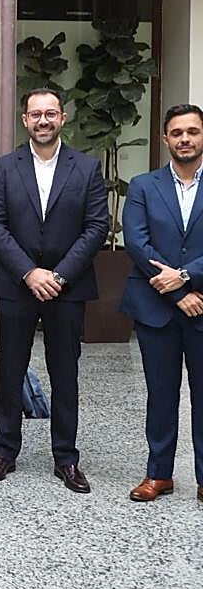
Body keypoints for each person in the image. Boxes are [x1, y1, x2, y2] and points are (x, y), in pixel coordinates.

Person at [0, 88, 107, 492]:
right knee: (10, 371)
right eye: (35, 114)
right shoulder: (4, 167)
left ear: (62, 118)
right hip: (18, 287)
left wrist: (59, 275)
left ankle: (67, 459)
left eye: (50, 113)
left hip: (67, 290)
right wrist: (29, 272)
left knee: (65, 372)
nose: (43, 120)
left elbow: (96, 228)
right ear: (25, 120)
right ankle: (4, 451)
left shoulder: (87, 168)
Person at [119, 103, 203, 504]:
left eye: (192, 132)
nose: (185, 139)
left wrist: (186, 278)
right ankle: (159, 474)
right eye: (177, 132)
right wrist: (176, 291)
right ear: (165, 139)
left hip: (202, 304)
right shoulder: (142, 186)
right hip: (156, 308)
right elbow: (137, 243)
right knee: (161, 394)